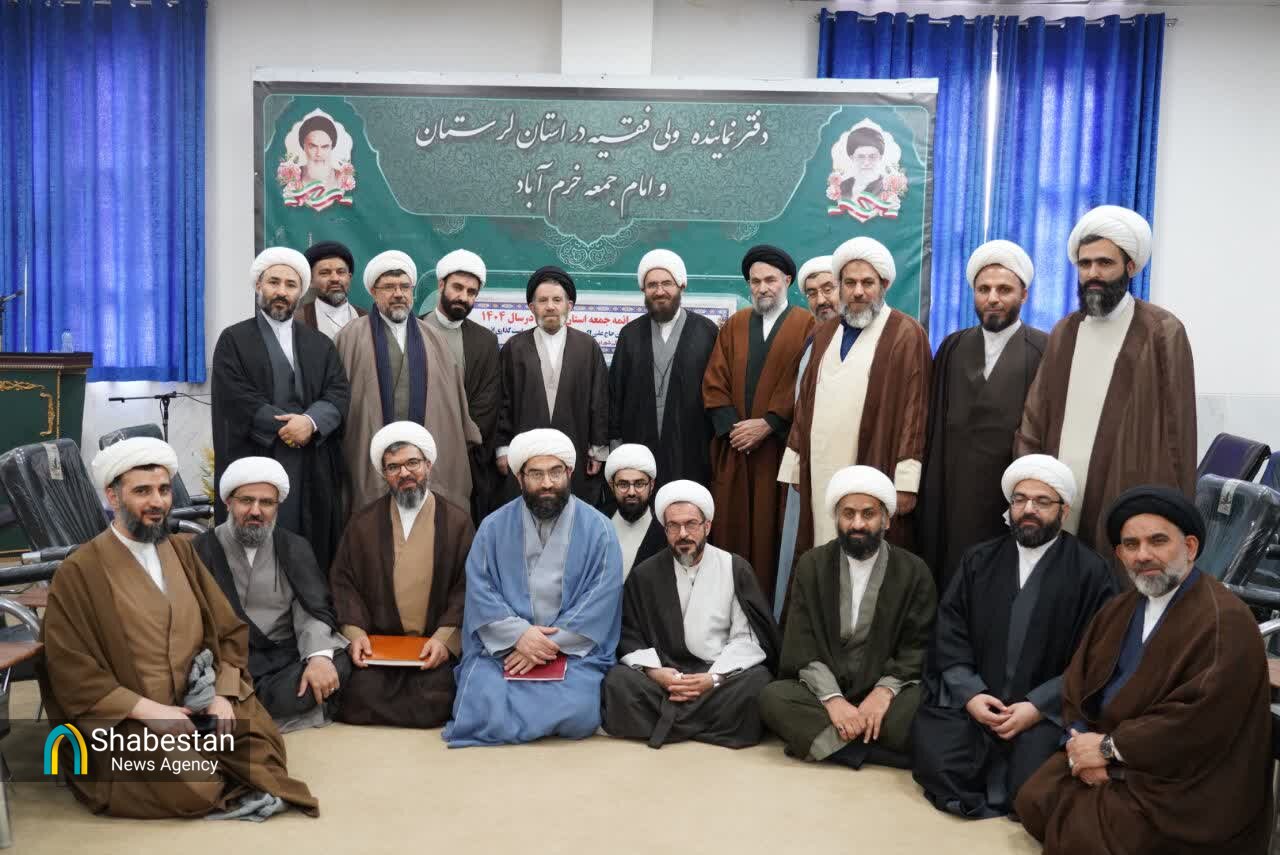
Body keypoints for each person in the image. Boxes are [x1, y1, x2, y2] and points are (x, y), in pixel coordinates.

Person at [39, 437, 316, 819]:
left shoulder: (182, 550)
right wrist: (148, 711)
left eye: (164, 490)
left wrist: (222, 693)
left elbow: (226, 630)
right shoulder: (79, 571)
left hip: (198, 697)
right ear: (113, 496)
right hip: (133, 717)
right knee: (193, 789)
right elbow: (68, 667)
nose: (157, 502)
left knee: (263, 748)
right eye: (142, 491)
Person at [1015, 486, 1272, 853]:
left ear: (1190, 547)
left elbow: (1196, 722)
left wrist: (1109, 751)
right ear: (1120, 554)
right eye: (1131, 545)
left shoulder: (1225, 620)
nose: (1144, 555)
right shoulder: (1119, 609)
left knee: (1086, 836)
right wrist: (1080, 742)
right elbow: (1077, 682)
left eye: (1158, 541)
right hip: (1112, 748)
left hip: (1181, 776)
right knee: (1034, 799)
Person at [912, 454, 1116, 819]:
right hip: (979, 702)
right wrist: (971, 694)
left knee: (1030, 786)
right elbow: (950, 630)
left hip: (1045, 712)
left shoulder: (1090, 571)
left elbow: (1097, 655)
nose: (1029, 509)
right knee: (938, 760)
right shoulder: (979, 560)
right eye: (1020, 499)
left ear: (1064, 511)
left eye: (1042, 501)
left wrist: (1037, 707)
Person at [1015, 206, 1196, 558]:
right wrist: (1030, 476)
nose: (1093, 273)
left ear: (1130, 267)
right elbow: (1035, 413)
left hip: (1125, 490)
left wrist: (1175, 512)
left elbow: (1179, 435)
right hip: (1061, 494)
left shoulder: (1162, 331)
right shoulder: (1066, 331)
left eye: (1105, 263)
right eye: (1085, 264)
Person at [443, 429, 622, 747]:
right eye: (536, 474)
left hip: (571, 653)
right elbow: (481, 589)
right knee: (481, 699)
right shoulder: (493, 527)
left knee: (579, 710)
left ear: (569, 473)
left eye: (555, 472)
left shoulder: (600, 530)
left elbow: (601, 598)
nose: (547, 483)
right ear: (519, 478)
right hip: (504, 650)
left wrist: (544, 646)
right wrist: (519, 636)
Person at [759, 466, 936, 771]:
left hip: (886, 692)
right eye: (848, 514)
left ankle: (833, 743)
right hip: (825, 691)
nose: (857, 524)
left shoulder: (913, 571)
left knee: (925, 702)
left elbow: (918, 646)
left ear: (886, 519)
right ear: (836, 518)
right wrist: (833, 700)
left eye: (868, 514)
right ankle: (877, 751)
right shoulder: (812, 565)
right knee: (773, 697)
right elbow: (801, 644)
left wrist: (883, 693)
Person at [780, 237, 930, 579]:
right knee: (821, 554)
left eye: (867, 283)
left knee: (866, 561)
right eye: (850, 283)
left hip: (873, 464)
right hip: (820, 471)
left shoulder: (906, 333)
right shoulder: (824, 333)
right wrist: (795, 466)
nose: (858, 292)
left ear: (884, 285)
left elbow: (915, 410)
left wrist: (906, 482)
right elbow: (804, 403)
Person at [602, 480, 780, 749]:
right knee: (618, 681)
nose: (682, 534)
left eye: (691, 524)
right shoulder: (645, 574)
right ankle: (707, 725)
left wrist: (714, 678)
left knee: (758, 683)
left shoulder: (734, 567)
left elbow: (747, 637)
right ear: (665, 529)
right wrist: (656, 673)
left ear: (707, 526)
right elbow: (630, 633)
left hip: (717, 676)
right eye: (673, 526)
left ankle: (667, 722)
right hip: (666, 678)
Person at [211, 247, 351, 574]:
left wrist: (311, 422)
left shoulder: (319, 343)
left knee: (312, 550)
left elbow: (338, 392)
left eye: (290, 285)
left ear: (300, 293)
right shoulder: (234, 340)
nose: (281, 292)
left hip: (311, 462)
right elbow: (236, 397)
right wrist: (285, 427)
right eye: (274, 282)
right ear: (258, 285)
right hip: (257, 455)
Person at [918, 240, 1048, 587]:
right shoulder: (953, 346)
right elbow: (934, 427)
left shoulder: (1045, 349)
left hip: (1007, 495)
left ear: (1024, 295)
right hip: (951, 492)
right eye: (983, 289)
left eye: (1004, 289)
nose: (992, 298)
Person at [326, 422, 472, 728]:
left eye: (412, 463)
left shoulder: (456, 522)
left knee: (437, 696)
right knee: (357, 692)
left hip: (431, 644)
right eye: (393, 467)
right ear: (384, 474)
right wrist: (356, 634)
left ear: (428, 465)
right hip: (378, 647)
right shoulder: (362, 523)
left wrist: (445, 640)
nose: (404, 473)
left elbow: (467, 586)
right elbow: (344, 582)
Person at [192, 457, 353, 732]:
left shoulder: (294, 547)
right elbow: (191, 621)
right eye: (246, 500)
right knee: (193, 683)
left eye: (266, 502)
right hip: (225, 662)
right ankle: (244, 707)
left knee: (336, 662)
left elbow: (311, 610)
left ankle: (245, 711)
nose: (256, 511)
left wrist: (318, 657)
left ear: (277, 506)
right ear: (228, 502)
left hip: (282, 663)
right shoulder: (201, 549)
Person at [703, 245, 814, 603]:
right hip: (736, 451)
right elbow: (714, 381)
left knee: (773, 535)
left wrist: (769, 424)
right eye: (755, 281)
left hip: (778, 455)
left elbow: (804, 385)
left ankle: (770, 618)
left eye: (770, 280)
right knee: (731, 534)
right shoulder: (735, 325)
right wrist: (735, 429)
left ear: (787, 280)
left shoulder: (807, 325)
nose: (763, 288)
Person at [334, 250, 480, 515]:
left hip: (427, 451)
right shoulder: (350, 337)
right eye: (389, 287)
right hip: (368, 453)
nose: (398, 293)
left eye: (404, 287)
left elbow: (453, 405)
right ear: (373, 292)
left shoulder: (434, 338)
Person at [494, 266, 610, 506]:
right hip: (525, 454)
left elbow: (599, 400)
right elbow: (502, 401)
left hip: (575, 449)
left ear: (569, 305)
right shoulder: (514, 347)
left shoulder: (587, 347)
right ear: (531, 307)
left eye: (557, 300)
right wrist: (502, 449)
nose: (550, 306)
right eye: (543, 300)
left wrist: (597, 450)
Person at [608, 249, 719, 487]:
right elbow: (616, 393)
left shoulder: (706, 331)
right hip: (638, 447)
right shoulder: (629, 334)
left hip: (692, 448)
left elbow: (718, 391)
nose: (659, 291)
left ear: (681, 286)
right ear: (643, 290)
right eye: (652, 285)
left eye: (667, 283)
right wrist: (615, 443)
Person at [774, 254, 836, 617]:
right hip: (807, 469)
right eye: (812, 293)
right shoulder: (815, 339)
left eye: (828, 288)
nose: (821, 299)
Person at [422, 249, 502, 521]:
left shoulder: (485, 341)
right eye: (457, 287)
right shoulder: (413, 330)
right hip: (417, 450)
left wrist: (456, 443)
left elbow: (486, 403)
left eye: (471, 292)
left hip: (464, 456)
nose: (464, 297)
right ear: (441, 285)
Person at [603, 443, 666, 578]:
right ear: (612, 486)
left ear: (651, 485)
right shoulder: (597, 523)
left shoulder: (664, 530)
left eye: (639, 484)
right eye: (623, 484)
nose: (631, 492)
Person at [297, 240, 366, 339]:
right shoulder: (298, 320)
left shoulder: (367, 319)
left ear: (349, 278)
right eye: (325, 273)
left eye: (341, 272)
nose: (335, 279)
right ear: (311, 281)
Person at [839, 125, 886, 199]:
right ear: (852, 158)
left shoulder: (886, 187)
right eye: (861, 157)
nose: (866, 163)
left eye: (872, 157)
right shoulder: (843, 187)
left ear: (880, 157)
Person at [298, 114, 340, 191]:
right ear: (304, 146)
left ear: (332, 147)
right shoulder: (292, 177)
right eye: (313, 146)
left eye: (325, 147)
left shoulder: (341, 178)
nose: (319, 154)